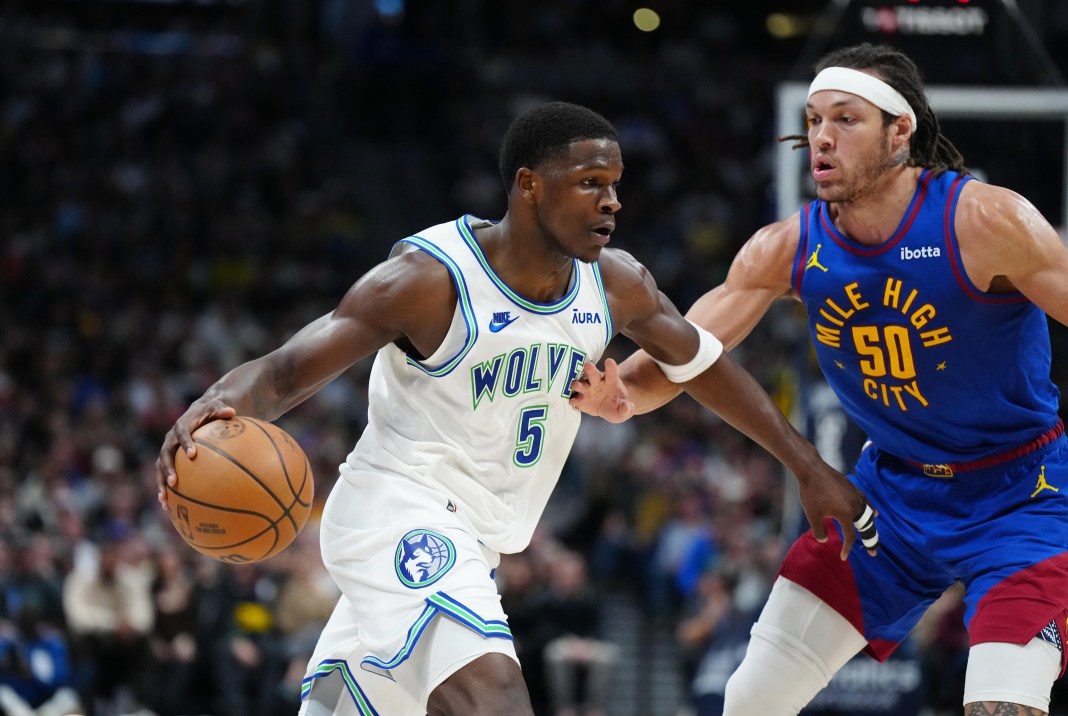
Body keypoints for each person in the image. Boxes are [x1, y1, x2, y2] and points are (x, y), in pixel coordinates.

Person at [155, 100, 873, 716]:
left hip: (483, 539)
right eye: (591, 184)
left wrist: (807, 467)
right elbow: (283, 374)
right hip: (397, 513)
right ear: (530, 187)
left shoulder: (614, 284)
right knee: (494, 697)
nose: (612, 202)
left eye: (616, 185)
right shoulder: (430, 279)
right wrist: (216, 403)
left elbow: (701, 364)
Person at [570, 43, 1068, 715]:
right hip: (890, 492)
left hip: (1022, 494)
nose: (821, 138)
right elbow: (686, 349)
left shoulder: (985, 221)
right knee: (748, 700)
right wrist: (622, 393)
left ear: (901, 131)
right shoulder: (787, 247)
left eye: (845, 118)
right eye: (811, 120)